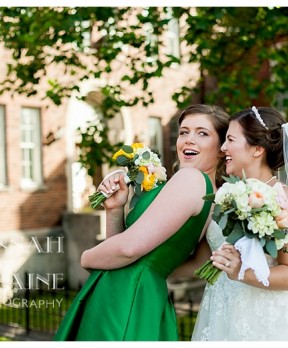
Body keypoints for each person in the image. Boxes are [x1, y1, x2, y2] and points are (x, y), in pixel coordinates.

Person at [55, 105, 229, 340]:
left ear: (221, 149)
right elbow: (199, 265)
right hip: (142, 292)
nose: (188, 140)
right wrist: (115, 210)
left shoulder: (190, 179)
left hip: (126, 293)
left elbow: (129, 248)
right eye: (184, 132)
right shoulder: (216, 197)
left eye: (202, 133)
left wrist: (87, 257)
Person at [192, 106, 288, 341]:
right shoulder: (227, 192)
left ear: (257, 149)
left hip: (263, 320)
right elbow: (204, 254)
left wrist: (242, 272)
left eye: (230, 139)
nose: (223, 148)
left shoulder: (284, 199)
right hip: (219, 309)